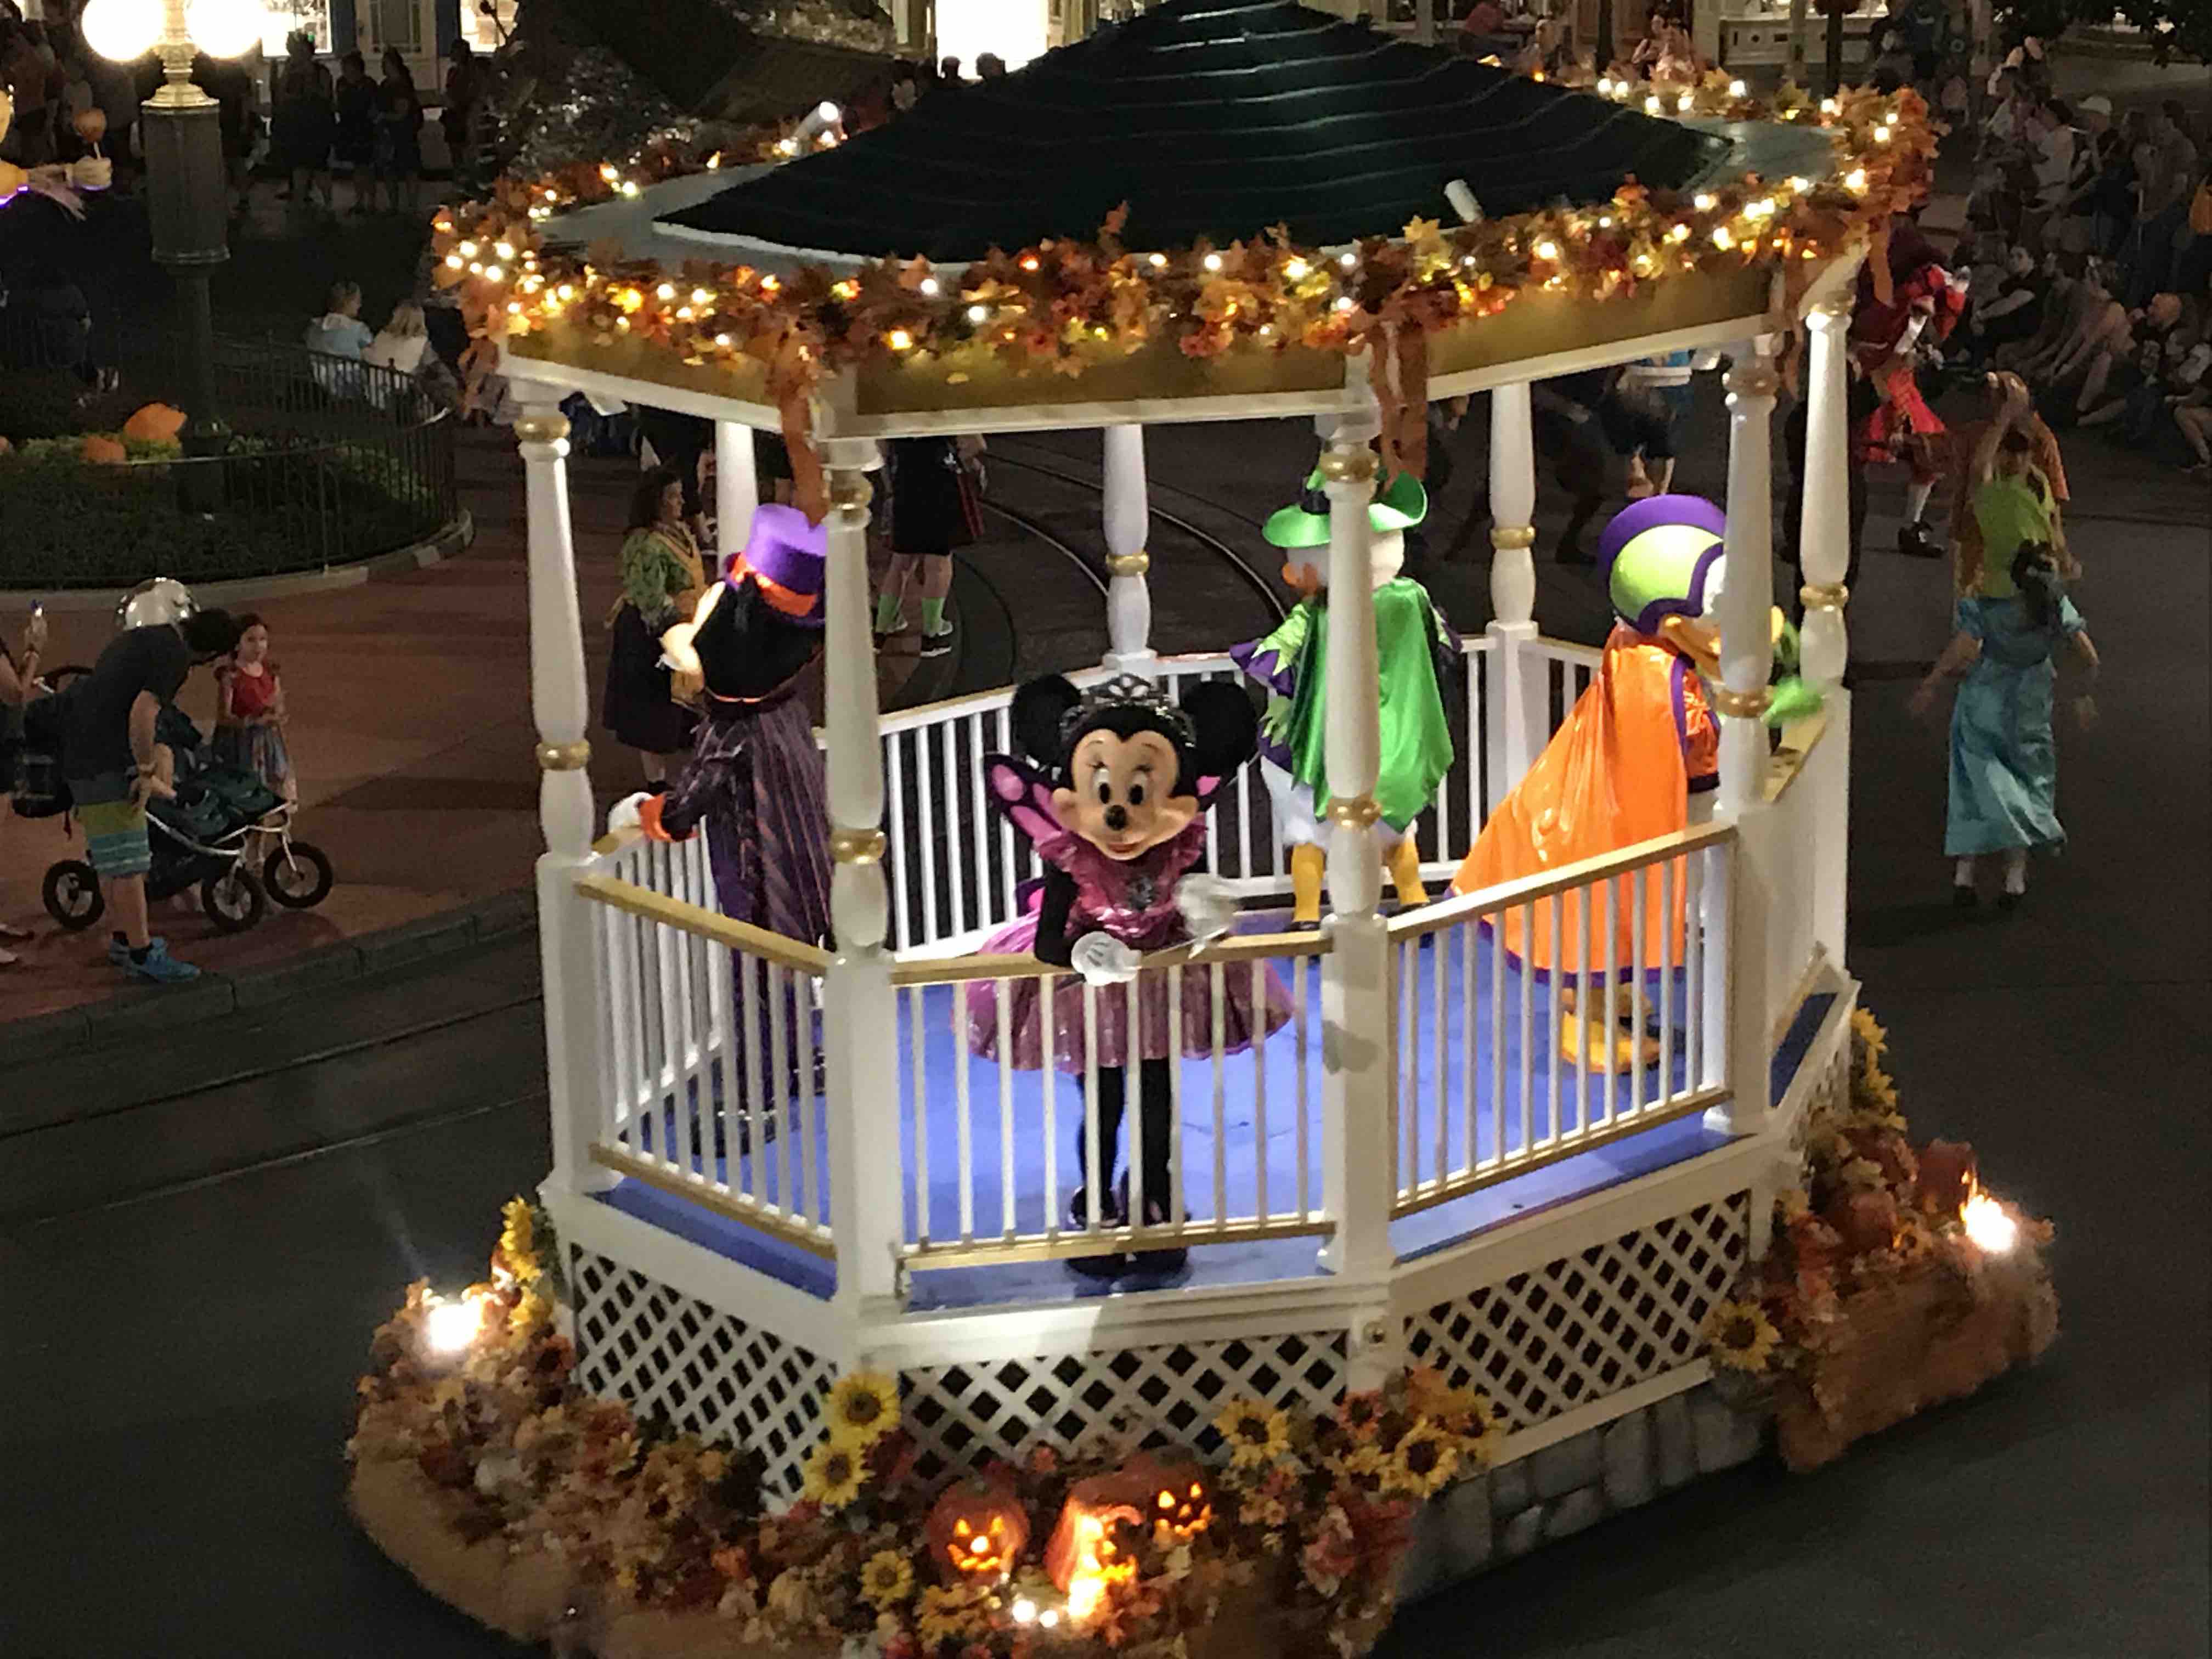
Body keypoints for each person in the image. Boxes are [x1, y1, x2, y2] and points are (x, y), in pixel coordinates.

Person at [1910, 534, 2098, 912]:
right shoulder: (2056, 608)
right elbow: (2088, 657)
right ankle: (2015, 878)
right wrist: (2082, 695)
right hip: (2030, 705)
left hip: (1984, 699)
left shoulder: (1989, 608)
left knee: (1972, 783)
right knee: (2028, 782)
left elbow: (1961, 649)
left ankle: (1965, 875)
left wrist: (1932, 683)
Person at [63, 608, 244, 983]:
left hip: (80, 758)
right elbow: (143, 712)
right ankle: (142, 953)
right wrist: (145, 770)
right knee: (130, 865)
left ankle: (123, 940)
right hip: (110, 764)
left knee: (110, 860)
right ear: (210, 652)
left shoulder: (147, 636)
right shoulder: (173, 656)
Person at [603, 465, 706, 781]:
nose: (681, 502)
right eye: (674, 497)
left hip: (685, 628)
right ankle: (656, 786)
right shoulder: (645, 544)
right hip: (652, 636)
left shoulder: (681, 532)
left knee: (684, 712)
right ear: (657, 502)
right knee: (653, 713)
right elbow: (651, 599)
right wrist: (678, 634)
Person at [1946, 372, 2069, 598]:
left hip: (2026, 559)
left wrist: (2061, 553)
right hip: (1980, 551)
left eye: (2000, 396)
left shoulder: (2041, 442)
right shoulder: (1973, 436)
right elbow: (1971, 477)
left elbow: (2053, 508)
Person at [875, 435, 983, 657]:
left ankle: (881, 630)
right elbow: (976, 444)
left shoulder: (892, 412)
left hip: (904, 480)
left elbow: (882, 449)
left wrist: (891, 483)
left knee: (901, 562)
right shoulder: (941, 410)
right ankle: (931, 635)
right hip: (941, 482)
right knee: (938, 562)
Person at [211, 614, 294, 802]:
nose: (258, 646)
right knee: (247, 788)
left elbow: (278, 703)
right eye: (251, 640)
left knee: (274, 784)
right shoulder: (231, 676)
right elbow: (224, 717)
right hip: (242, 743)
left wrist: (277, 714)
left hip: (269, 741)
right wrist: (253, 721)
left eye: (263, 640)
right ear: (237, 644)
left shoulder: (270, 672)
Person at [271, 32, 336, 216]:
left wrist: (309, 82)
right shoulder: (291, 72)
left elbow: (326, 95)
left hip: (317, 124)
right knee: (299, 166)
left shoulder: (321, 71)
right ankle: (299, 201)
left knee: (319, 166)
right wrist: (288, 74)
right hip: (296, 124)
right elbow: (281, 94)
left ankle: (328, 202)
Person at [370, 47, 422, 215]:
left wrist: (383, 117)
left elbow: (402, 112)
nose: (383, 67)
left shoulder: (401, 86)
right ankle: (396, 204)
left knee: (408, 169)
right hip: (390, 134)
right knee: (392, 170)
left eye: (385, 64)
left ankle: (410, 204)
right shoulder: (386, 85)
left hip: (403, 133)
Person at [303, 280, 375, 396]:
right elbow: (373, 356)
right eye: (357, 301)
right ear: (347, 302)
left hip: (318, 383)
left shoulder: (313, 327)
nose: (360, 305)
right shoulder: (358, 329)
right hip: (349, 385)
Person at [332, 50, 377, 213]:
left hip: (364, 128)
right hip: (349, 127)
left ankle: (370, 201)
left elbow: (373, 107)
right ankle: (360, 200)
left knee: (366, 166)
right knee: (357, 167)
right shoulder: (342, 84)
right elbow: (339, 103)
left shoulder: (368, 85)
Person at [441, 40, 480, 192]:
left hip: (465, 116)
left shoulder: (471, 74)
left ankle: (468, 184)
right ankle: (459, 183)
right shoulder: (453, 72)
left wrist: (457, 102)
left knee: (467, 153)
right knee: (456, 154)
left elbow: (472, 95)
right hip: (453, 117)